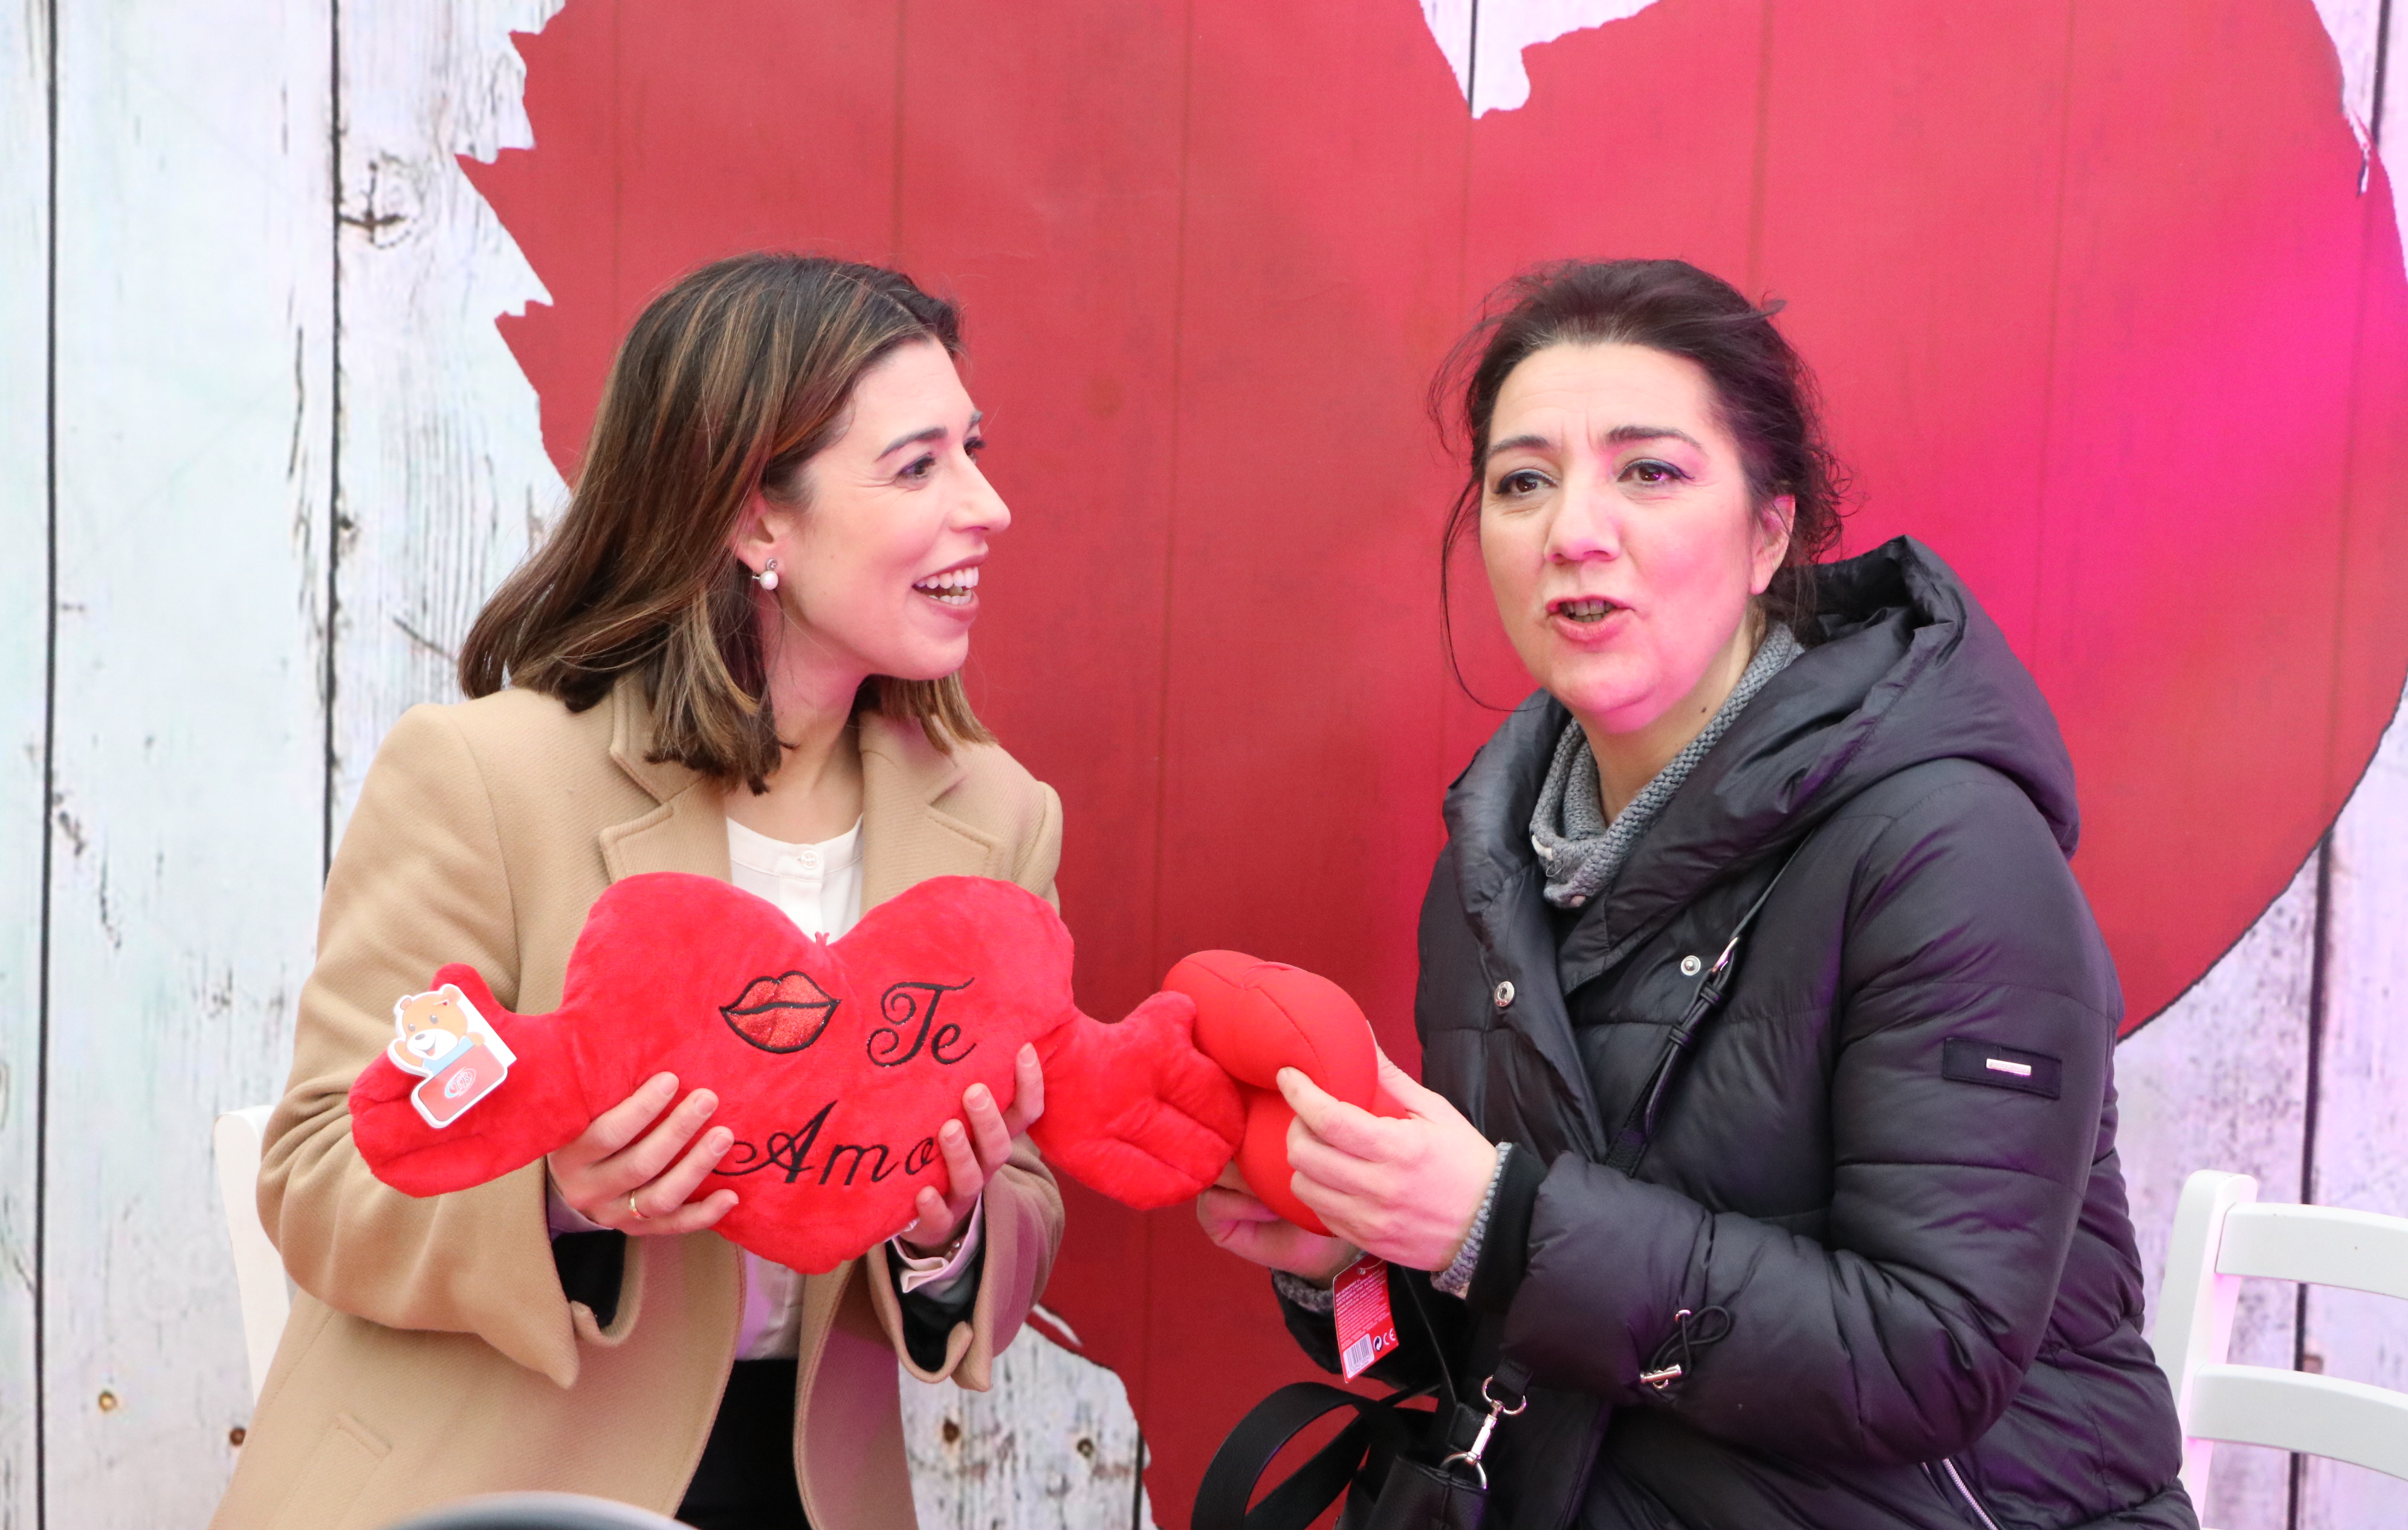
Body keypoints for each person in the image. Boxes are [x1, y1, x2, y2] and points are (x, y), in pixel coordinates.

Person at [1198, 260, 2195, 1529]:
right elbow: (1540, 1345)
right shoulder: (1497, 861)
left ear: (1771, 529)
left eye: (1650, 471)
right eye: (1523, 480)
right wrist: (1364, 1258)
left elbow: (1933, 1352)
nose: (1573, 528)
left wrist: (1498, 1222)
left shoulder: (1946, 851)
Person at [215, 254, 1064, 1530]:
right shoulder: (486, 779)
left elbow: (1030, 1196)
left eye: (974, 448)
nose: (988, 504)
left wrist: (942, 1232)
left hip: (803, 1489)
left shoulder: (1000, 817)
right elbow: (323, 1171)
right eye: (919, 464)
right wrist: (556, 1188)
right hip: (484, 1480)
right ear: (756, 520)